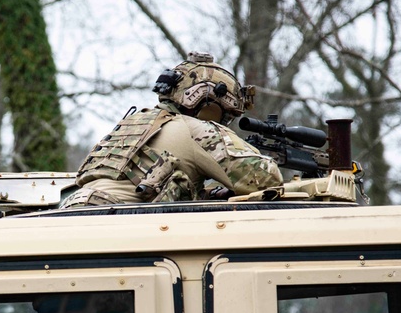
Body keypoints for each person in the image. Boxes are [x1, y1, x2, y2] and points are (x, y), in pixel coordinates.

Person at [60, 52, 282, 207]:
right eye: (226, 115)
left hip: (74, 215)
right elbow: (266, 179)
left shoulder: (135, 124)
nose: (224, 123)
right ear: (210, 105)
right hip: (114, 223)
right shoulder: (196, 130)